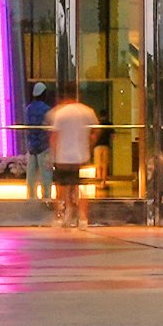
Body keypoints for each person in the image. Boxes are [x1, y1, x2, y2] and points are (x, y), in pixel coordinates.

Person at [43, 84, 102, 231]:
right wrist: (90, 143)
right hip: (82, 156)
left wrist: (52, 155)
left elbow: (54, 137)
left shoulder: (58, 113)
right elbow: (96, 130)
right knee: (80, 187)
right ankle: (82, 218)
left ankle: (61, 215)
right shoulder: (87, 111)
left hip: (63, 157)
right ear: (77, 95)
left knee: (61, 187)